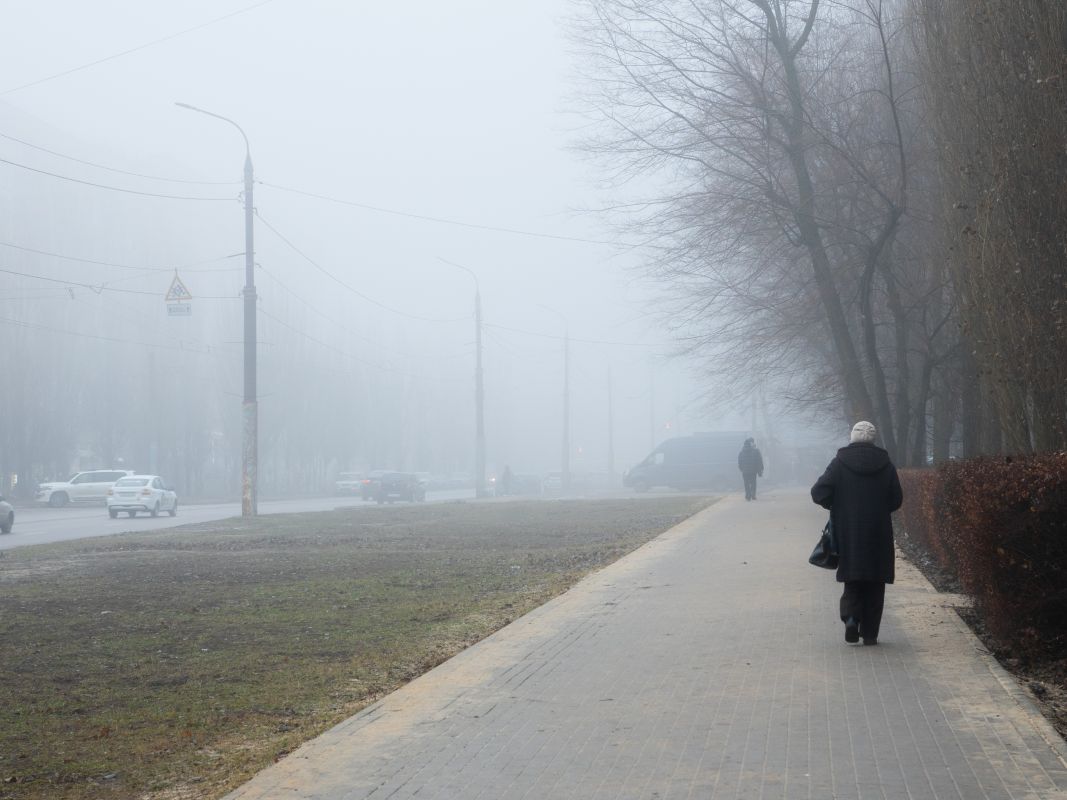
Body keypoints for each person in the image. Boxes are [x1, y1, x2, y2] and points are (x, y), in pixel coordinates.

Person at [810, 421, 903, 645]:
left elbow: (818, 492)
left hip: (848, 530)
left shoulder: (839, 463)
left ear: (852, 437)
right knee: (875, 581)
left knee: (852, 578)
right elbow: (896, 499)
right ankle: (870, 634)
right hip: (878, 531)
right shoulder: (886, 465)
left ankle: (851, 618)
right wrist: (880, 509)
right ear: (873, 439)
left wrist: (836, 505)